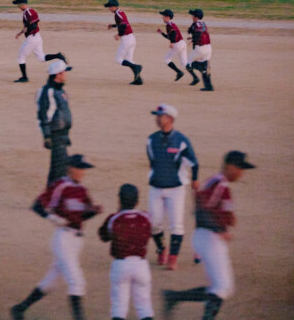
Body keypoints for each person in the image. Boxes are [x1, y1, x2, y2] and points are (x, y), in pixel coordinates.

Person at [163, 150, 256, 320]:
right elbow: (200, 207)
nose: (242, 173)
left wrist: (227, 220)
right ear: (230, 167)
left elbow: (210, 208)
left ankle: (174, 297)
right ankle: (175, 298)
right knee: (222, 287)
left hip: (209, 237)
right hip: (208, 237)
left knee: (224, 288)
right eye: (240, 168)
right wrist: (219, 229)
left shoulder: (221, 184)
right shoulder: (219, 183)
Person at [10, 155, 102, 320]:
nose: (82, 172)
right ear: (70, 168)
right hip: (63, 239)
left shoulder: (82, 191)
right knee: (77, 282)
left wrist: (93, 212)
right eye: (79, 168)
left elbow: (81, 216)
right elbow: (37, 206)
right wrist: (53, 218)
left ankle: (19, 309)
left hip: (76, 242)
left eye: (84, 169)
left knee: (51, 282)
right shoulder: (60, 186)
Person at [146, 103, 199, 270]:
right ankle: (162, 249)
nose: (156, 118)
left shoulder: (181, 141)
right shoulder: (151, 139)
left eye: (159, 116)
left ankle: (172, 258)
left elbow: (194, 163)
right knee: (154, 223)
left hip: (176, 188)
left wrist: (195, 180)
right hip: (156, 186)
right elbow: (152, 161)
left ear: (169, 119)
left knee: (176, 224)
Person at [98, 183, 154, 320]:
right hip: (141, 265)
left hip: (120, 265)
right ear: (138, 201)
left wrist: (118, 212)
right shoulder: (146, 217)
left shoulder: (114, 219)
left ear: (119, 200)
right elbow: (150, 232)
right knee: (144, 307)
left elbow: (103, 236)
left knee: (119, 308)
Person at [37, 59, 73, 184]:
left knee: (57, 171)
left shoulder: (59, 90)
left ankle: (47, 200)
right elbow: (44, 115)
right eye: (64, 72)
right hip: (56, 135)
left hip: (62, 134)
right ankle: (50, 200)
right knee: (60, 171)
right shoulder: (50, 91)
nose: (66, 74)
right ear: (58, 74)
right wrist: (47, 135)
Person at [104, 0, 143, 85]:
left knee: (119, 59)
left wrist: (119, 35)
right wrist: (113, 25)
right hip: (132, 38)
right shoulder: (120, 12)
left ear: (115, 7)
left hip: (126, 39)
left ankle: (137, 67)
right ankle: (138, 79)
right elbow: (122, 23)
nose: (109, 8)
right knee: (129, 60)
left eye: (110, 7)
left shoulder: (117, 14)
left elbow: (124, 25)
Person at [13, 0, 44, 82]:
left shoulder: (30, 12)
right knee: (41, 58)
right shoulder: (26, 12)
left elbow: (34, 23)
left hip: (32, 38)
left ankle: (24, 77)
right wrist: (20, 33)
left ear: (22, 4)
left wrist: (28, 29)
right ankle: (58, 56)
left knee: (21, 57)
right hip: (37, 37)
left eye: (18, 5)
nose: (18, 7)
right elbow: (27, 25)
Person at [156, 10, 188, 82]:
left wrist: (172, 42)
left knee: (167, 59)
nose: (162, 18)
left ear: (167, 17)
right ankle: (196, 76)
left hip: (177, 44)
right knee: (185, 64)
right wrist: (162, 33)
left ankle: (179, 72)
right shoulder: (172, 24)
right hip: (182, 43)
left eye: (163, 16)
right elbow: (169, 36)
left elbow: (173, 33)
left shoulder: (169, 25)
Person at [185, 11, 213, 92]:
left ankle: (202, 66)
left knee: (188, 65)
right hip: (208, 48)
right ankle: (209, 87)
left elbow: (197, 32)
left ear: (196, 17)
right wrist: (193, 38)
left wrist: (193, 40)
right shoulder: (204, 23)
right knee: (205, 69)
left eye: (193, 16)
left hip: (200, 48)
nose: (192, 17)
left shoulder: (196, 24)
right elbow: (202, 33)